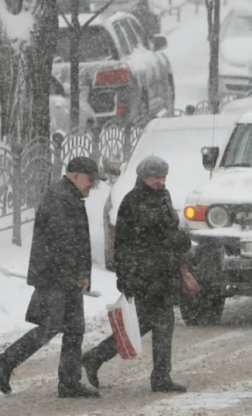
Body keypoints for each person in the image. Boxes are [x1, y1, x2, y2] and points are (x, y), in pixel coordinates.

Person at [81, 156, 190, 393]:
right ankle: (159, 377)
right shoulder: (133, 201)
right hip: (146, 274)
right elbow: (126, 244)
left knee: (151, 323)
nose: (161, 181)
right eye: (156, 177)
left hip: (163, 271)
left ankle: (98, 357)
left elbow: (167, 229)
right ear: (143, 177)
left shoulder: (164, 195)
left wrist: (179, 239)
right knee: (158, 322)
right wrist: (127, 277)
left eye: (163, 177)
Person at [0, 157, 105, 398]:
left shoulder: (70, 196)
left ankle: (69, 383)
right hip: (55, 276)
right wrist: (78, 274)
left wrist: (80, 274)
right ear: (76, 175)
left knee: (75, 329)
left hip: (64, 276)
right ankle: (5, 362)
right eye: (90, 179)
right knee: (51, 326)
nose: (93, 185)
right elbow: (63, 242)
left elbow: (73, 241)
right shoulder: (60, 198)